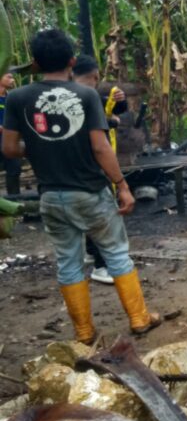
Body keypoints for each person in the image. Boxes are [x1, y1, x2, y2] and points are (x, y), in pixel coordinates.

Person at [1, 29, 160, 344]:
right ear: (72, 62)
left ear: (34, 62)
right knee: (115, 251)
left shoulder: (18, 98)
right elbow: (101, 148)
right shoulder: (85, 95)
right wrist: (122, 185)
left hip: (50, 196)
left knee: (68, 261)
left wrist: (38, 148)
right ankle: (140, 319)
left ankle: (84, 332)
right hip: (89, 192)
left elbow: (8, 149)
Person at [72, 55, 127, 285]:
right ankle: (101, 264)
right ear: (95, 76)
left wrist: (119, 103)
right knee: (101, 215)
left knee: (79, 217)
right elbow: (99, 140)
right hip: (93, 166)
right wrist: (121, 183)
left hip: (66, 170)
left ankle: (88, 253)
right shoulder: (88, 96)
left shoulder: (60, 94)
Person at [0, 70, 22, 196]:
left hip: (8, 140)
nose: (13, 80)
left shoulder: (11, 98)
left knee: (14, 168)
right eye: (9, 77)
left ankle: (14, 199)